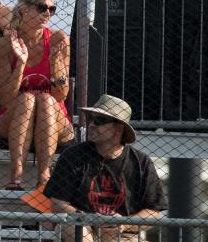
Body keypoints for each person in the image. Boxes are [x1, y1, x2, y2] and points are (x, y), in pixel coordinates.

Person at [44, 94, 165, 242]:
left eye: (100, 120)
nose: (92, 124)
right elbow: (57, 204)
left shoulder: (141, 162)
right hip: (82, 225)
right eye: (91, 119)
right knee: (73, 229)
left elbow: (153, 212)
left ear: (119, 128)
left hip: (123, 233)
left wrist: (124, 224)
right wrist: (89, 219)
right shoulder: (73, 156)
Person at [0, 0, 72, 189]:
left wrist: (55, 64)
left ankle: (44, 176)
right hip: (15, 116)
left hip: (53, 116)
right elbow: (5, 98)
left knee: (45, 99)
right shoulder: (4, 44)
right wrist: (20, 63)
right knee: (27, 99)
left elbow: (61, 95)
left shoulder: (58, 39)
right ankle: (16, 172)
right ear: (23, 9)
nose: (47, 13)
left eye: (51, 9)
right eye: (41, 7)